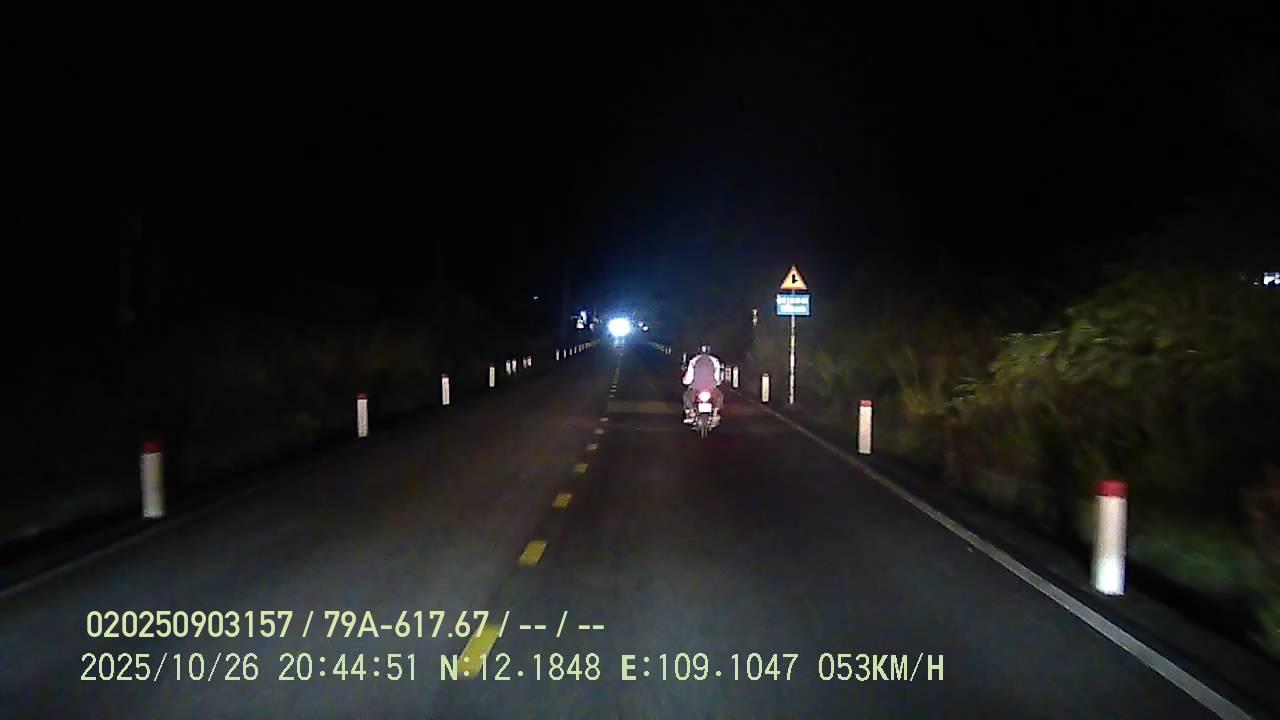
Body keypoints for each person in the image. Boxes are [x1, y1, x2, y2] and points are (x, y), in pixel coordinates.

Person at [682, 344, 724, 424]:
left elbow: (689, 377)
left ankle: (691, 412)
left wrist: (685, 381)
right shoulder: (715, 361)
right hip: (711, 388)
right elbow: (717, 377)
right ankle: (715, 413)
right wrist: (717, 382)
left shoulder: (694, 360)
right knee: (719, 397)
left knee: (686, 397)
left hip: (696, 388)